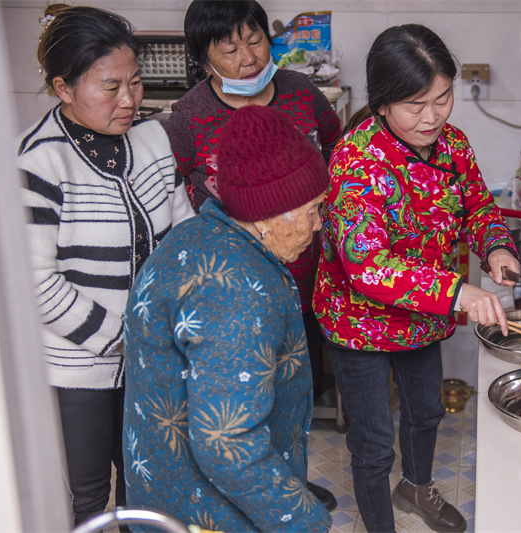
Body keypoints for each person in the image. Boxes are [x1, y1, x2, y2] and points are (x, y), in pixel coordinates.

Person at [313, 24, 521, 533]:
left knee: (426, 412)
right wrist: (457, 292)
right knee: (373, 440)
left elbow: (478, 206)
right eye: (415, 104)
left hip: (420, 317)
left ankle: (416, 488)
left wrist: (495, 246)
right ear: (382, 103)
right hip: (357, 320)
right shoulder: (355, 161)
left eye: (443, 97)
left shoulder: (451, 144)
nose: (432, 116)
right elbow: (367, 267)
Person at [17, 4, 193, 526]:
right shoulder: (39, 161)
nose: (128, 101)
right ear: (63, 87)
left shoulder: (153, 139)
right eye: (109, 87)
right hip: (79, 370)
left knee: (151, 485)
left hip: (155, 360)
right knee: (88, 500)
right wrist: (121, 336)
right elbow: (35, 280)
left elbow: (182, 237)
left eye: (135, 84)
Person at [123, 105, 332, 533]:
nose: (317, 226)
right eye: (313, 210)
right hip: (210, 515)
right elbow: (227, 440)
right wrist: (303, 520)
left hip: (166, 492)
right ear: (271, 211)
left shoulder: (195, 234)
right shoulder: (236, 291)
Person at [165, 0, 340, 509]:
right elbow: (171, 196)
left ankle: (289, 485)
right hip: (231, 292)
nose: (248, 56)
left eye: (255, 39)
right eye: (229, 47)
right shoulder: (189, 118)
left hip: (302, 279)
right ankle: (248, 498)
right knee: (240, 403)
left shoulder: (301, 93)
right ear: (204, 58)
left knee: (292, 394)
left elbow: (339, 151)